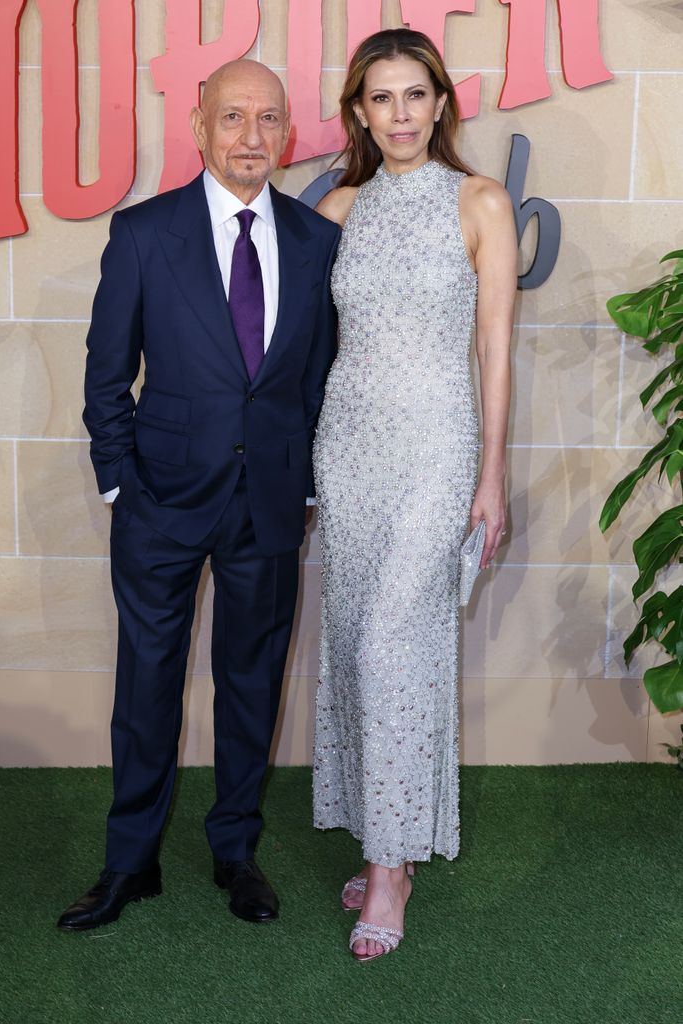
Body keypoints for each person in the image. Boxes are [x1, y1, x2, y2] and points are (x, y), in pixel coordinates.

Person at [57, 59, 340, 931]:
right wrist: (120, 488)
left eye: (267, 120)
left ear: (287, 133)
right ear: (198, 125)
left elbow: (318, 377)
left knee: (251, 684)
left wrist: (305, 491)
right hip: (160, 505)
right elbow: (107, 377)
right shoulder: (143, 234)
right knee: (146, 686)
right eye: (232, 118)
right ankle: (128, 863)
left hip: (270, 508)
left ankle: (235, 853)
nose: (250, 138)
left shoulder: (314, 240)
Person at [312, 28, 516, 961]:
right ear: (358, 112)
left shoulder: (480, 202)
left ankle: (392, 871)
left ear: (440, 103)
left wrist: (492, 471)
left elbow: (495, 349)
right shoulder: (340, 205)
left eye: (413, 96)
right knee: (357, 644)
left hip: (437, 449)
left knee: (398, 641)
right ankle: (379, 832)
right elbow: (306, 345)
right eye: (379, 99)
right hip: (347, 450)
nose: (398, 114)